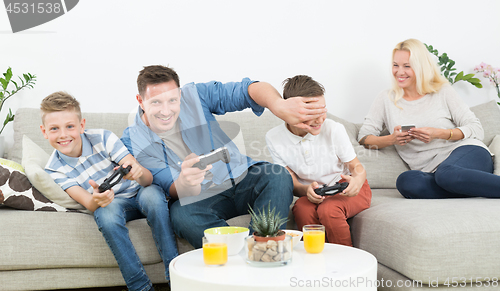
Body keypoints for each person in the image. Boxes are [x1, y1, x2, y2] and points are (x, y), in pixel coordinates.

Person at [121, 65, 328, 248]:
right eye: (156, 102)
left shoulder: (196, 95)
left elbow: (249, 89)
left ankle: (260, 249)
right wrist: (185, 180)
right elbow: (174, 188)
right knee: (181, 215)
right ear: (140, 101)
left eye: (173, 100)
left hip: (240, 177)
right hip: (200, 196)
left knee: (278, 175)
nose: (166, 111)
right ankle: (240, 258)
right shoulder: (133, 141)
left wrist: (278, 105)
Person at [41, 92, 177, 291]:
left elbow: (147, 180)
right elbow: (89, 203)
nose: (63, 135)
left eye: (70, 126)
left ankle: (176, 278)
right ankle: (140, 287)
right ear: (44, 132)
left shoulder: (103, 138)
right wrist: (98, 199)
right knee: (104, 214)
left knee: (154, 198)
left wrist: (137, 172)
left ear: (81, 125)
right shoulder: (54, 168)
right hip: (114, 204)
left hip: (141, 192)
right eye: (54, 129)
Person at [358, 38, 500, 199]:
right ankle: (470, 187)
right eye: (395, 65)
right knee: (407, 182)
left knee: (447, 174)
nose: (399, 72)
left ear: (420, 67)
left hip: (468, 153)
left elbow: (476, 128)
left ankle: (464, 183)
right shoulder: (386, 98)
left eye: (407, 66)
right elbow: (364, 137)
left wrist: (439, 133)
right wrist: (392, 139)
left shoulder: (442, 91)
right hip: (433, 172)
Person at [265, 75, 371, 246]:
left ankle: (346, 260)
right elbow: (291, 181)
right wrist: (306, 189)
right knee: (301, 208)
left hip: (347, 189)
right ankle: (316, 259)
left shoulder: (333, 129)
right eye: (312, 114)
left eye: (323, 111)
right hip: (318, 194)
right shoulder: (273, 137)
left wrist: (357, 181)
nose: (321, 119)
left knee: (329, 209)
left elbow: (357, 168)